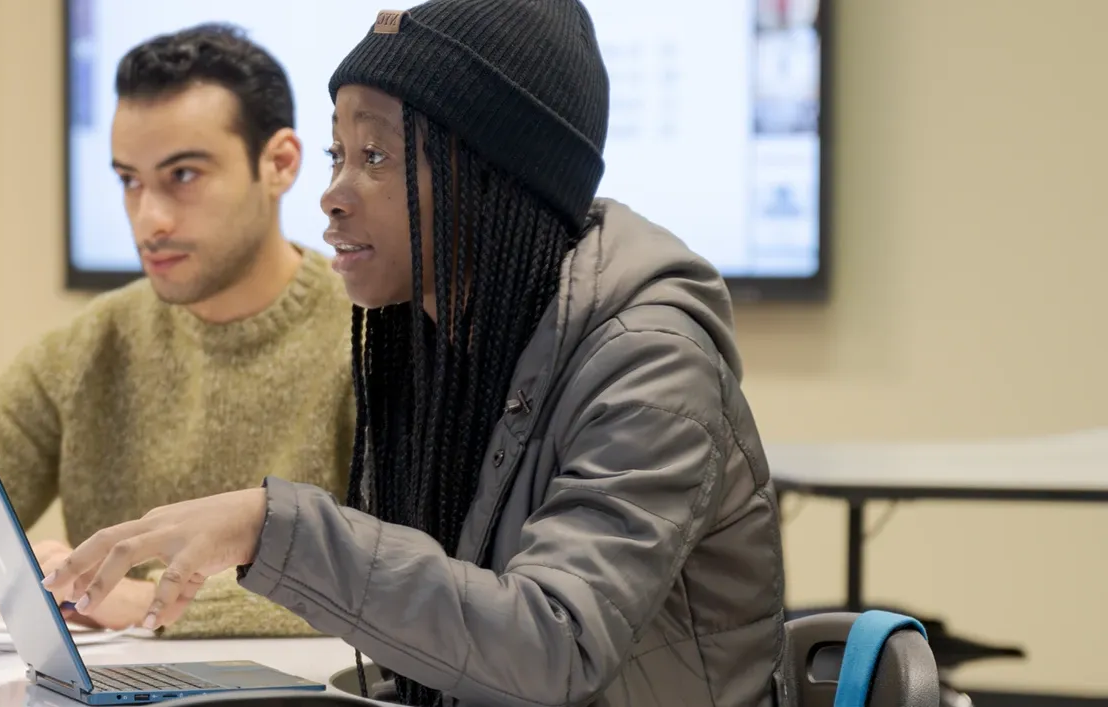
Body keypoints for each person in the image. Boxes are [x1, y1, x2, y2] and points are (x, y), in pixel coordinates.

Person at [42, 3, 786, 706]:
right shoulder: (433, 343)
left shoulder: (652, 365)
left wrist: (272, 526)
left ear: (492, 180)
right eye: (339, 153)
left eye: (375, 155)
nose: (333, 193)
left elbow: (554, 644)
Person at [0, 24, 354, 637]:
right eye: (129, 181)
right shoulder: (85, 348)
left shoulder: (369, 339)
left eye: (184, 176)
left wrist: (146, 604)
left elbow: (396, 583)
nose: (150, 219)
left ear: (279, 164)